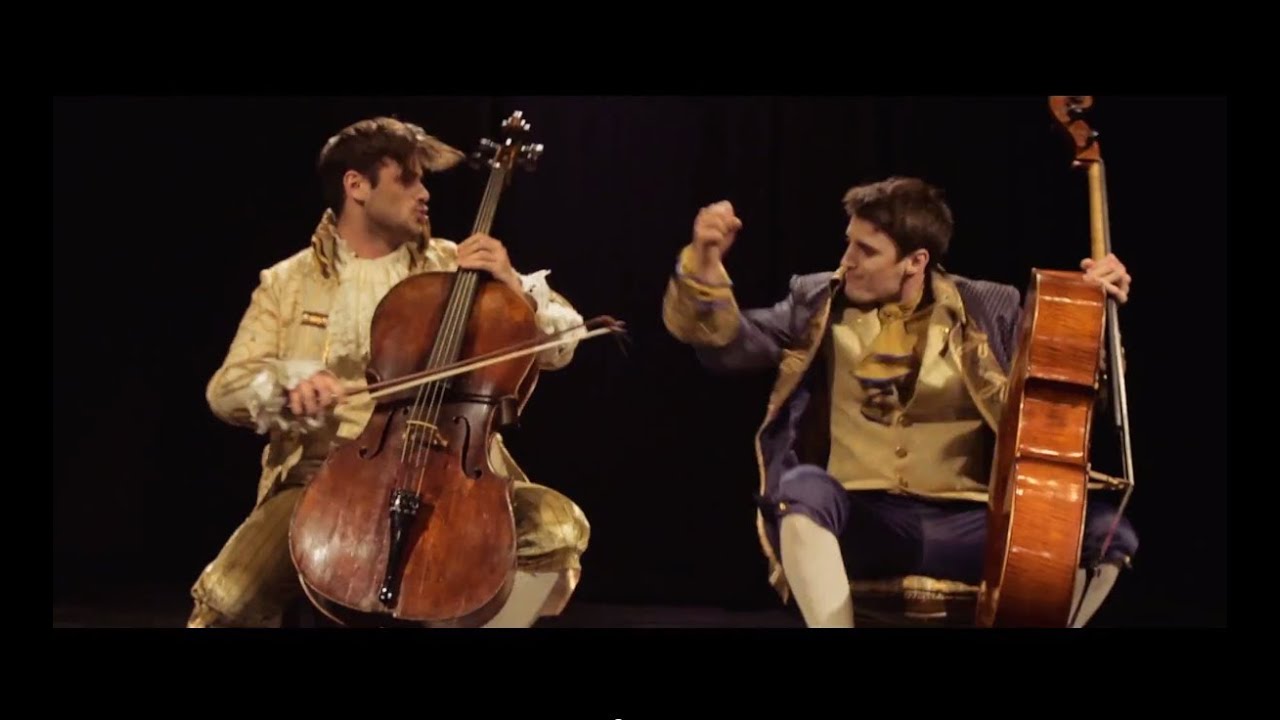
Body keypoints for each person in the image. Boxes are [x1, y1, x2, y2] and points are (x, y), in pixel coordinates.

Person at [662, 176, 1138, 627]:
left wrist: (1097, 315)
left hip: (970, 525)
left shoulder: (989, 307)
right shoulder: (817, 301)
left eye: (866, 250)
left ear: (916, 261)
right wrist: (704, 264)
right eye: (849, 242)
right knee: (801, 488)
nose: (847, 260)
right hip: (864, 522)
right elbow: (730, 346)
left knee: (1106, 532)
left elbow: (1066, 394)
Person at [189, 116, 590, 628]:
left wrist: (513, 285)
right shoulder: (288, 282)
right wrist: (289, 384)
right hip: (322, 481)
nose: (425, 193)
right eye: (408, 179)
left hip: (449, 476)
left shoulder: (457, 267)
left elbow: (562, 347)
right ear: (356, 186)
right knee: (226, 597)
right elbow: (225, 389)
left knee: (558, 533)